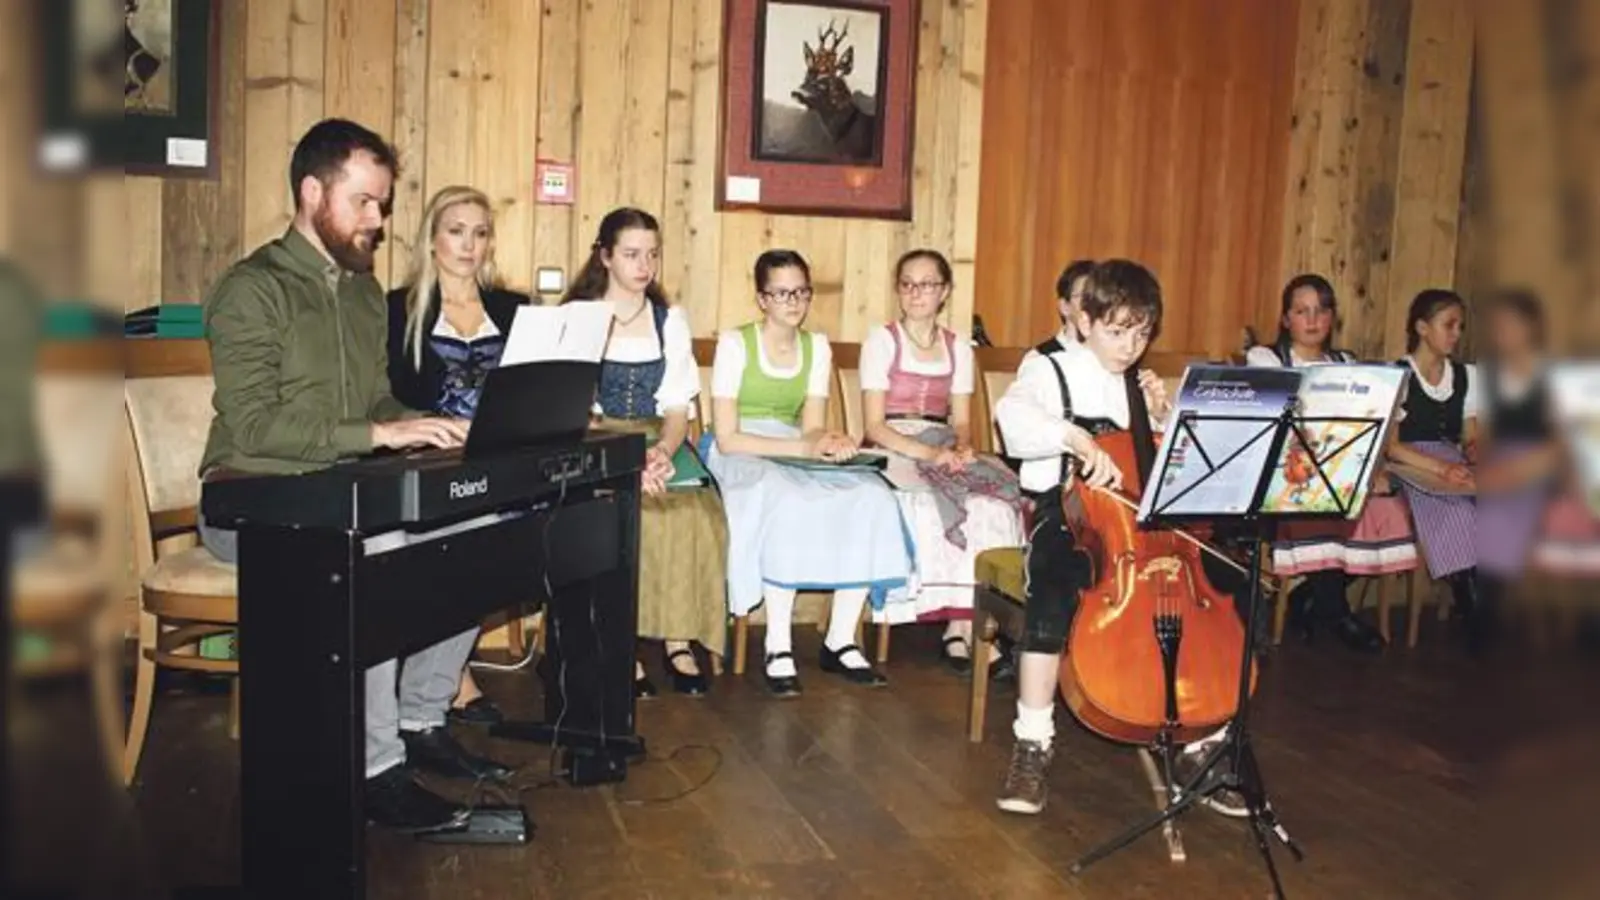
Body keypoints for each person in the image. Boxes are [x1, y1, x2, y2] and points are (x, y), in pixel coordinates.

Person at [196, 119, 511, 833]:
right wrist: (380, 433)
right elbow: (254, 430)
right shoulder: (252, 290)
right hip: (251, 498)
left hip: (338, 488)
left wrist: (424, 421)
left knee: (479, 526)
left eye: (382, 203)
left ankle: (422, 715)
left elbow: (373, 401)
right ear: (312, 192)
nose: (379, 219)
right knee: (372, 553)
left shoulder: (364, 293)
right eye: (365, 201)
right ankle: (373, 769)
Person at [992, 259, 1261, 818]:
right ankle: (1033, 741)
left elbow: (1177, 472)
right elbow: (1012, 421)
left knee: (1228, 585)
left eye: (1141, 333)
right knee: (1052, 590)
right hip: (1071, 518)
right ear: (1085, 321)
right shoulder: (1048, 368)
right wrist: (1075, 440)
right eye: (1117, 331)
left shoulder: (1142, 386)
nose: (1129, 345)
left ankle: (1201, 738)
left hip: (1150, 532)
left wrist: (1166, 421)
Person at [702, 249, 912, 697]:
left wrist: (827, 440)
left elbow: (812, 423)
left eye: (800, 291)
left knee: (871, 492)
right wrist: (803, 446)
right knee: (784, 497)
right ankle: (778, 645)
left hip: (791, 444)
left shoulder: (816, 346)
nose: (793, 301)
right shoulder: (736, 344)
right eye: (781, 293)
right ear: (761, 299)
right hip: (741, 450)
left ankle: (840, 638)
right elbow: (727, 438)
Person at [564, 207, 728, 698]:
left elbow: (678, 409)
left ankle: (678, 640)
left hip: (656, 438)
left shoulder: (668, 321)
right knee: (631, 518)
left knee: (697, 514)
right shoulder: (579, 317)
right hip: (595, 441)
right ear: (606, 256)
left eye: (652, 255)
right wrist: (626, 463)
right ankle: (623, 644)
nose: (644, 265)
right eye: (632, 254)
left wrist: (662, 451)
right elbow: (574, 413)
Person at [385, 184, 531, 725]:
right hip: (428, 461)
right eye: (456, 231)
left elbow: (532, 391)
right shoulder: (397, 312)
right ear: (432, 240)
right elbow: (391, 399)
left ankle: (440, 673)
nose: (469, 245)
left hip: (500, 458)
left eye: (480, 232)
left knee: (554, 522)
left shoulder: (515, 311)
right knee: (471, 534)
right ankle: (445, 681)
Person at [857, 249, 1025, 674]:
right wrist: (932, 454)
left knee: (995, 503)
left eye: (927, 284)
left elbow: (964, 421)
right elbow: (875, 426)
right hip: (895, 443)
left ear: (944, 291)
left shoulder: (958, 348)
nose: (917, 293)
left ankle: (964, 625)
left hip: (942, 438)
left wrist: (963, 447)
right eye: (908, 284)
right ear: (898, 290)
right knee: (924, 504)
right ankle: (926, 609)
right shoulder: (882, 342)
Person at [1246, 274, 1415, 653]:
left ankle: (1309, 599)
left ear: (1332, 318)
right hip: (1285, 469)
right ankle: (1338, 615)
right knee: (1314, 496)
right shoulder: (1266, 358)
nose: (1312, 319)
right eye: (1301, 311)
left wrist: (1371, 470)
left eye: (1322, 310)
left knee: (1385, 503)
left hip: (1341, 467)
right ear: (1286, 319)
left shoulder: (1346, 363)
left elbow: (1365, 426)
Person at [1384, 289, 1480, 635]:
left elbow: (1469, 434)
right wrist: (1441, 468)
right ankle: (1473, 609)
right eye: (1449, 325)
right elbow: (1392, 447)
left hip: (1451, 460)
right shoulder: (1400, 375)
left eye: (1460, 327)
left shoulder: (1465, 375)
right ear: (1422, 328)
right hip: (1412, 464)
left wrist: (1474, 451)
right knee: (1459, 511)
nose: (1456, 334)